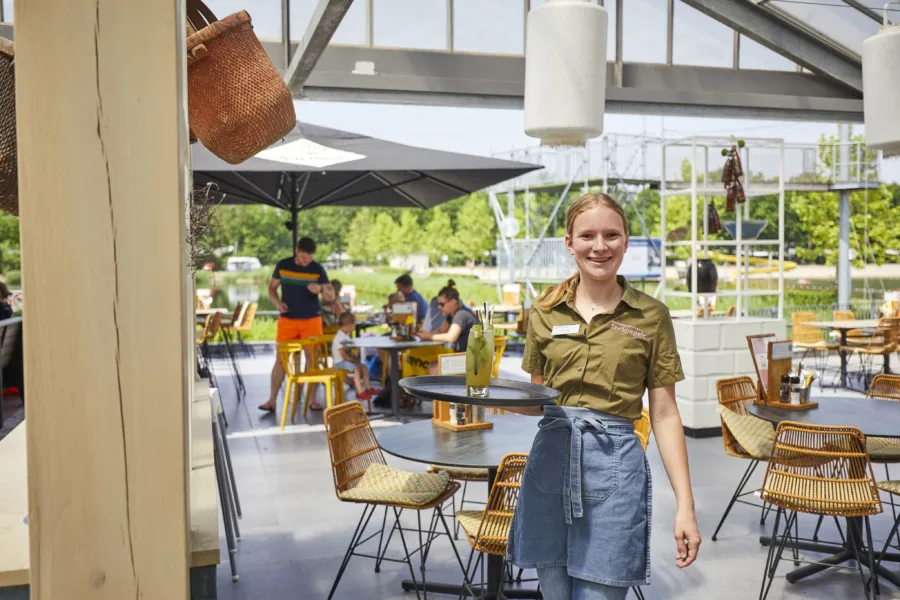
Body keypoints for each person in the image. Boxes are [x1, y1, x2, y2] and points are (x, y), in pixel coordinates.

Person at [506, 193, 700, 599]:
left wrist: (686, 505)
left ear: (626, 242)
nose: (600, 246)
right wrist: (481, 395)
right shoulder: (544, 311)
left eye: (611, 235)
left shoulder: (651, 315)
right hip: (549, 466)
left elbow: (664, 415)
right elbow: (538, 397)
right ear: (569, 243)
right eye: (587, 235)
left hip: (616, 470)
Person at [258, 237, 332, 413]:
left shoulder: (317, 269)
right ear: (297, 251)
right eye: (304, 255)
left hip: (312, 320)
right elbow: (271, 288)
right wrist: (277, 303)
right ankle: (271, 400)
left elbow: (332, 295)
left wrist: (320, 289)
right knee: (280, 360)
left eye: (310, 256)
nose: (307, 260)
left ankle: (313, 400)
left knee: (311, 358)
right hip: (287, 320)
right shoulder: (283, 265)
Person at [417, 280, 478, 372]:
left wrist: (430, 336)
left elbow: (451, 337)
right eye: (438, 304)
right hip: (466, 358)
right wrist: (424, 334)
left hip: (474, 361)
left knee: (434, 369)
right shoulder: (451, 316)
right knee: (432, 365)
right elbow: (441, 331)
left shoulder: (461, 314)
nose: (439, 307)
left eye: (442, 304)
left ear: (453, 302)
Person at [331, 312, 378, 401]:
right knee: (357, 369)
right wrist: (354, 360)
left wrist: (356, 351)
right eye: (354, 325)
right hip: (340, 363)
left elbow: (350, 351)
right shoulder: (339, 337)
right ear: (348, 325)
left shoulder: (345, 336)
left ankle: (368, 388)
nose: (354, 327)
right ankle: (359, 391)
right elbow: (344, 356)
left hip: (346, 361)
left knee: (364, 367)